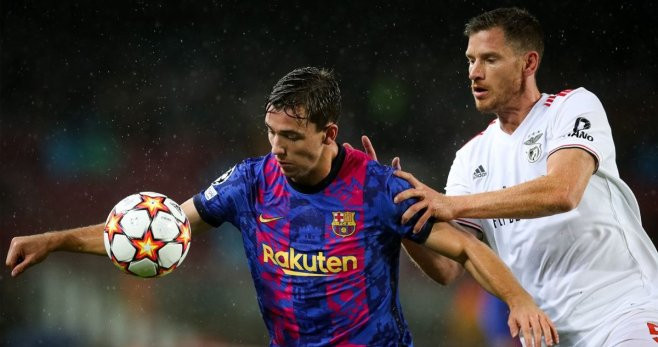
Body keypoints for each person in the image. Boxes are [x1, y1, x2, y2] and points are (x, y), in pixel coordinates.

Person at [5, 67, 558, 347]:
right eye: (271, 133)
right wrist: (53, 240)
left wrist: (518, 301)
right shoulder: (249, 182)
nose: (277, 148)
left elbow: (462, 247)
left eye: (292, 137)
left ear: (328, 133)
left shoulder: (374, 188)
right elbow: (153, 230)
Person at [371, 7, 658, 347]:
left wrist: (451, 204)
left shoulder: (573, 107)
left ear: (528, 63)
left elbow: (562, 192)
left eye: (490, 60)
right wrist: (393, 212)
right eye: (470, 60)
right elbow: (448, 268)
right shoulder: (469, 158)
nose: (474, 73)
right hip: (547, 336)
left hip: (624, 314)